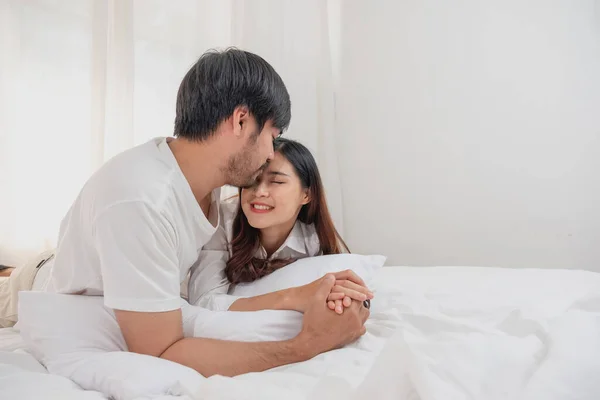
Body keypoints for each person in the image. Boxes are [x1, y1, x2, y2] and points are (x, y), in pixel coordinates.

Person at [28, 48, 370, 378]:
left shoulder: (209, 178)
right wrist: (306, 345)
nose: (270, 154)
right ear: (240, 121)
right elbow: (160, 351)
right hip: (48, 282)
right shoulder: (140, 200)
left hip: (115, 267)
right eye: (271, 135)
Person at [188, 137, 374, 316]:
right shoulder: (222, 222)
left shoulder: (313, 241)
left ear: (306, 195)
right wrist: (291, 298)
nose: (259, 192)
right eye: (251, 180)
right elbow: (203, 301)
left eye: (276, 182)